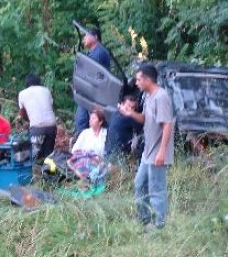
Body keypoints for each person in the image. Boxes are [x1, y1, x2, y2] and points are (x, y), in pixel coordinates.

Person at [119, 64, 174, 230]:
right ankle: (144, 220)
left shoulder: (161, 97)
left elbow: (167, 124)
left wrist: (162, 152)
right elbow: (146, 119)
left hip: (157, 152)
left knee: (156, 189)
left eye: (138, 79)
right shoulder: (148, 96)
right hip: (147, 151)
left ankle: (159, 225)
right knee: (139, 184)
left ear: (147, 79)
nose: (136, 83)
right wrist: (130, 113)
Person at [74, 28, 111, 136]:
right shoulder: (92, 52)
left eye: (86, 35)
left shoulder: (99, 52)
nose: (84, 38)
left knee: (94, 123)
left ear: (95, 37)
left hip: (94, 95)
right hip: (87, 94)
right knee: (82, 122)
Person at [18, 74, 57, 163]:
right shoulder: (46, 90)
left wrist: (29, 120)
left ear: (26, 83)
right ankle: (50, 174)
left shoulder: (22, 93)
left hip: (37, 128)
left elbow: (22, 114)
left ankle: (34, 173)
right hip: (51, 126)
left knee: (33, 155)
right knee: (49, 154)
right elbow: (50, 108)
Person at [104, 95, 142, 161]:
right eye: (127, 107)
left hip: (114, 152)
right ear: (121, 105)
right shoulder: (125, 117)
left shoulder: (116, 114)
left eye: (132, 108)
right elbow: (141, 125)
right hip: (114, 153)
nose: (130, 110)